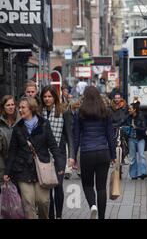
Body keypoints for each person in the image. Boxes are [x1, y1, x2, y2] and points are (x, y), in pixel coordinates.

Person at [3, 97, 65, 219]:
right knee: (28, 203)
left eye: (23, 107)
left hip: (42, 169)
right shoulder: (18, 128)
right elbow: (12, 152)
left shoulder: (44, 124)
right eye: (19, 107)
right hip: (23, 170)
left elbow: (53, 146)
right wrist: (7, 172)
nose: (20, 110)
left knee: (43, 202)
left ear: (31, 108)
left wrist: (60, 164)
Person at [71, 86, 116, 219]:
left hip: (87, 153)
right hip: (103, 152)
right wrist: (113, 155)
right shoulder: (105, 112)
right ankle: (101, 217)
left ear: (84, 96)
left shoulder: (80, 113)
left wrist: (73, 156)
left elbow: (76, 137)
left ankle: (92, 206)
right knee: (101, 187)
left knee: (87, 184)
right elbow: (110, 135)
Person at [40, 85, 75, 219]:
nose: (47, 99)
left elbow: (69, 135)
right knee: (47, 187)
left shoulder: (63, 111)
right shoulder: (39, 112)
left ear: (54, 97)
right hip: (43, 155)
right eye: (45, 96)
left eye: (50, 96)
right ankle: (51, 216)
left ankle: (59, 215)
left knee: (58, 185)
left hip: (59, 154)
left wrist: (72, 156)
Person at [125, 100, 147, 180]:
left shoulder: (141, 116)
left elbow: (144, 128)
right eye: (128, 109)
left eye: (130, 109)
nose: (129, 110)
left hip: (140, 138)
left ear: (134, 109)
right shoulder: (128, 117)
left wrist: (136, 127)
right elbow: (121, 122)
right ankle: (133, 175)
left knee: (141, 155)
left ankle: (143, 173)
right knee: (132, 157)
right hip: (131, 139)